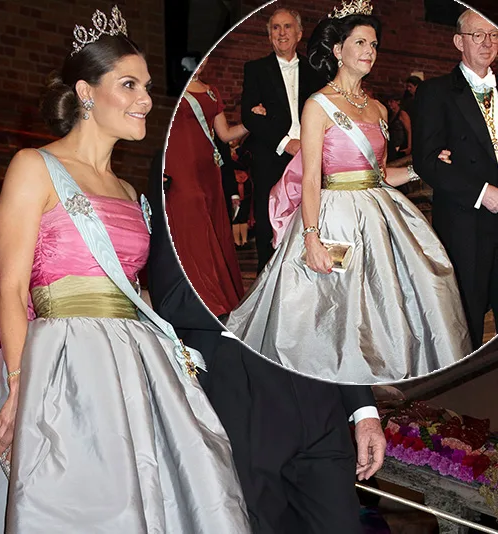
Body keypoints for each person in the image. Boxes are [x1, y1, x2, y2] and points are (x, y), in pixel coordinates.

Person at [0, 8, 250, 533]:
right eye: (128, 85)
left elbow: (130, 291)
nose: (147, 100)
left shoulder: (131, 192)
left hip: (130, 364)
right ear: (86, 92)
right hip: (58, 363)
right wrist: (20, 389)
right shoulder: (33, 167)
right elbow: (11, 291)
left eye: (148, 86)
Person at [226, 1, 472, 384]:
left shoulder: (377, 109)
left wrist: (423, 166)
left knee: (397, 299)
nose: (369, 52)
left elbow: (381, 176)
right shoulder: (317, 106)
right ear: (338, 51)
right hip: (332, 217)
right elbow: (310, 178)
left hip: (380, 214)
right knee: (330, 311)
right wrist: (311, 237)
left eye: (373, 45)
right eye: (360, 43)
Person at [148, 151, 387, 533]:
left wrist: (364, 413)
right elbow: (172, 297)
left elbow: (344, 316)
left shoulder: (335, 194)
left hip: (321, 398)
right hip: (244, 394)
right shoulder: (174, 180)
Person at [413, 8, 498, 350]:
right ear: (458, 42)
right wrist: (483, 193)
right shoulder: (436, 92)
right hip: (468, 220)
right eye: (478, 35)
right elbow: (427, 161)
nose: (487, 42)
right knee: (469, 321)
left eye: (493, 35)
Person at [241, 7, 325, 273]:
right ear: (269, 36)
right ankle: (269, 285)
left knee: (313, 218)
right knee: (268, 225)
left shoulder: (316, 71)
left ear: (299, 33)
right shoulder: (255, 69)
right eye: (275, 28)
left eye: (287, 27)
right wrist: (285, 142)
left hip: (312, 156)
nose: (281, 33)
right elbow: (249, 116)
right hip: (272, 156)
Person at [164, 57, 249, 317]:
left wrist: (253, 123)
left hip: (209, 169)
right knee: (192, 223)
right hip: (181, 166)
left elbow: (224, 135)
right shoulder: (177, 91)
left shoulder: (212, 91)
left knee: (212, 226)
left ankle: (217, 294)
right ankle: (200, 296)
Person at [386, 95, 411, 161]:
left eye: (391, 101)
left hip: (400, 144)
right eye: (388, 102)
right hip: (393, 144)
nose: (389, 104)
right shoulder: (391, 114)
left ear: (398, 102)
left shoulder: (402, 114)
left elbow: (409, 130)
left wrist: (409, 147)